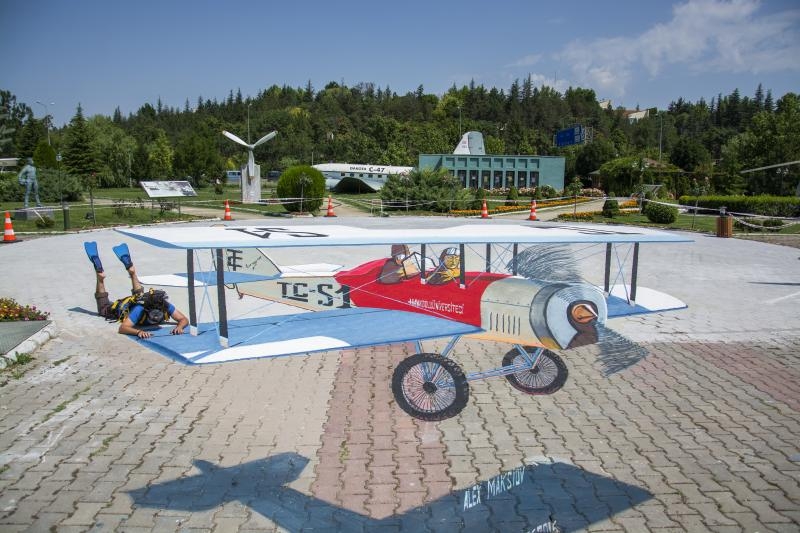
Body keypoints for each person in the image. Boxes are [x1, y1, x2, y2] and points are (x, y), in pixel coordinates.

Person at [87, 243, 189, 338]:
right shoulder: (139, 310)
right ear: (147, 310)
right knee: (104, 309)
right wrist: (138, 332)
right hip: (122, 308)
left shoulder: (164, 305)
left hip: (138, 301)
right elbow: (122, 328)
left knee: (140, 296)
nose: (156, 319)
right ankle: (100, 278)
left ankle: (132, 272)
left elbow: (183, 319)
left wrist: (179, 327)